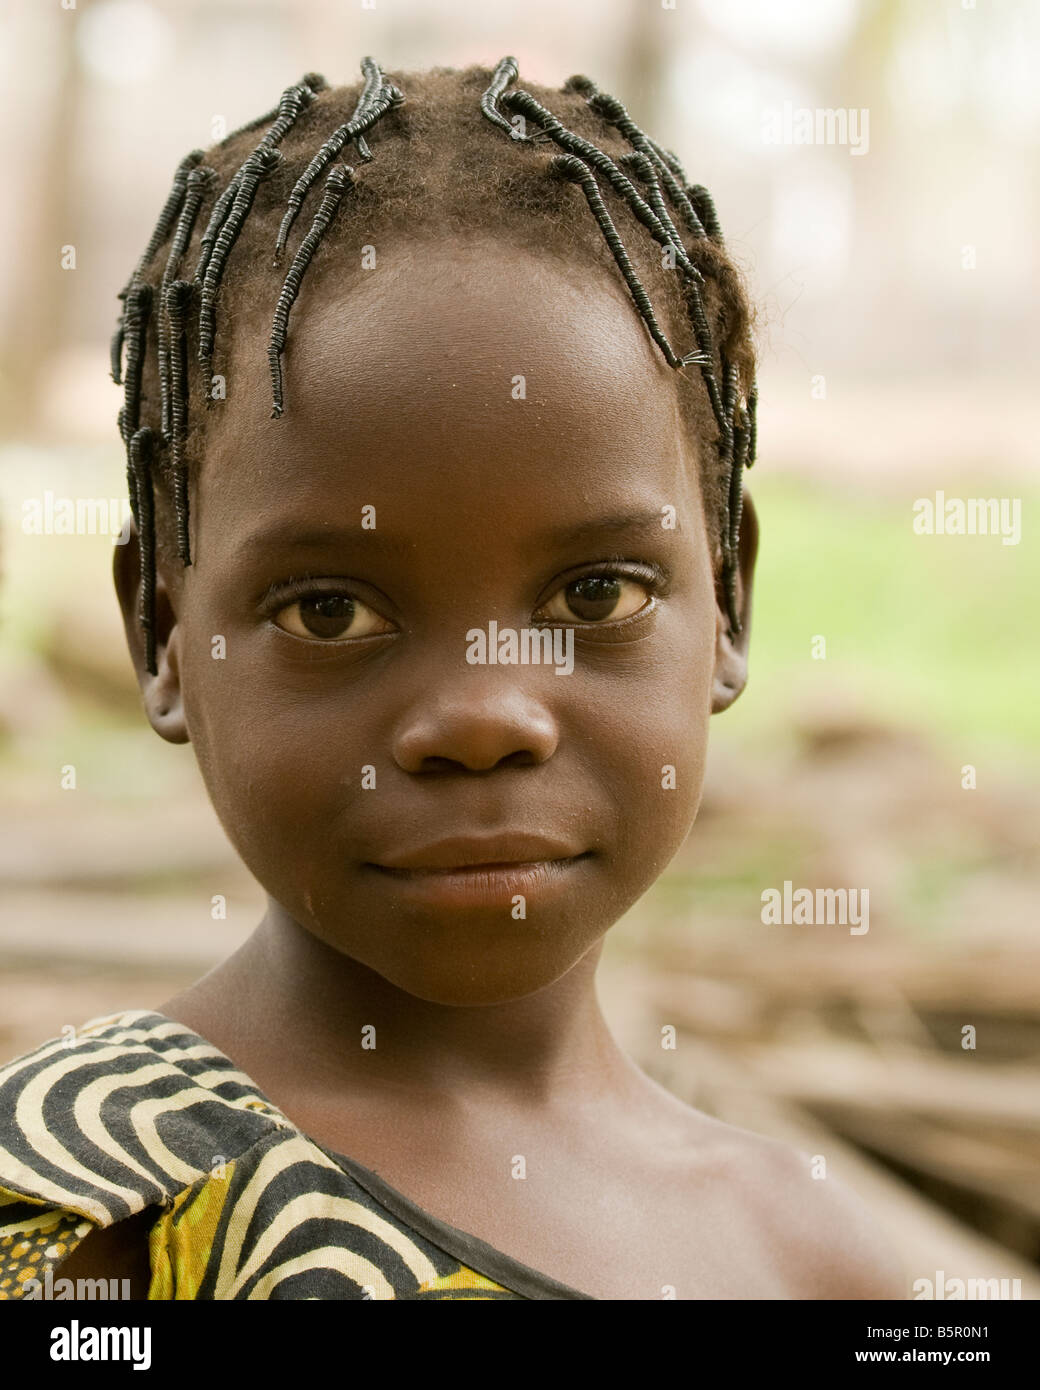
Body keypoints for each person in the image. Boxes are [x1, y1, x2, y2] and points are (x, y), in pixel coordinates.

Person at [0, 57, 904, 1301]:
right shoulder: (80, 1209)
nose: (482, 714)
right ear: (162, 635)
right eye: (330, 609)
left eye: (595, 595)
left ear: (728, 603)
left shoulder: (812, 1265)